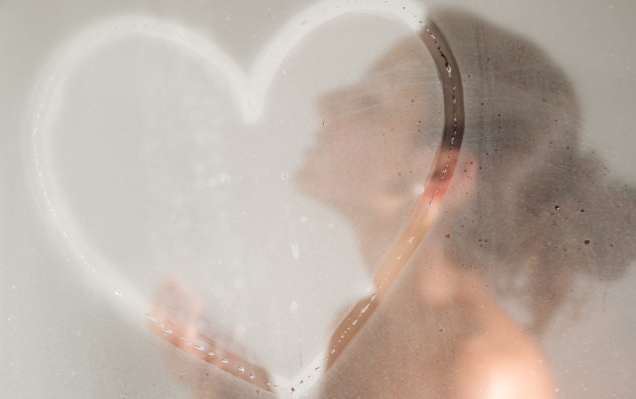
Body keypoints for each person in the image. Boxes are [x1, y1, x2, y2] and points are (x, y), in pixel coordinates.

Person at [149, 8, 636, 399]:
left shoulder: (486, 375)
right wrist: (228, 386)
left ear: (443, 175)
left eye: (370, 100)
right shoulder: (359, 325)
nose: (325, 103)